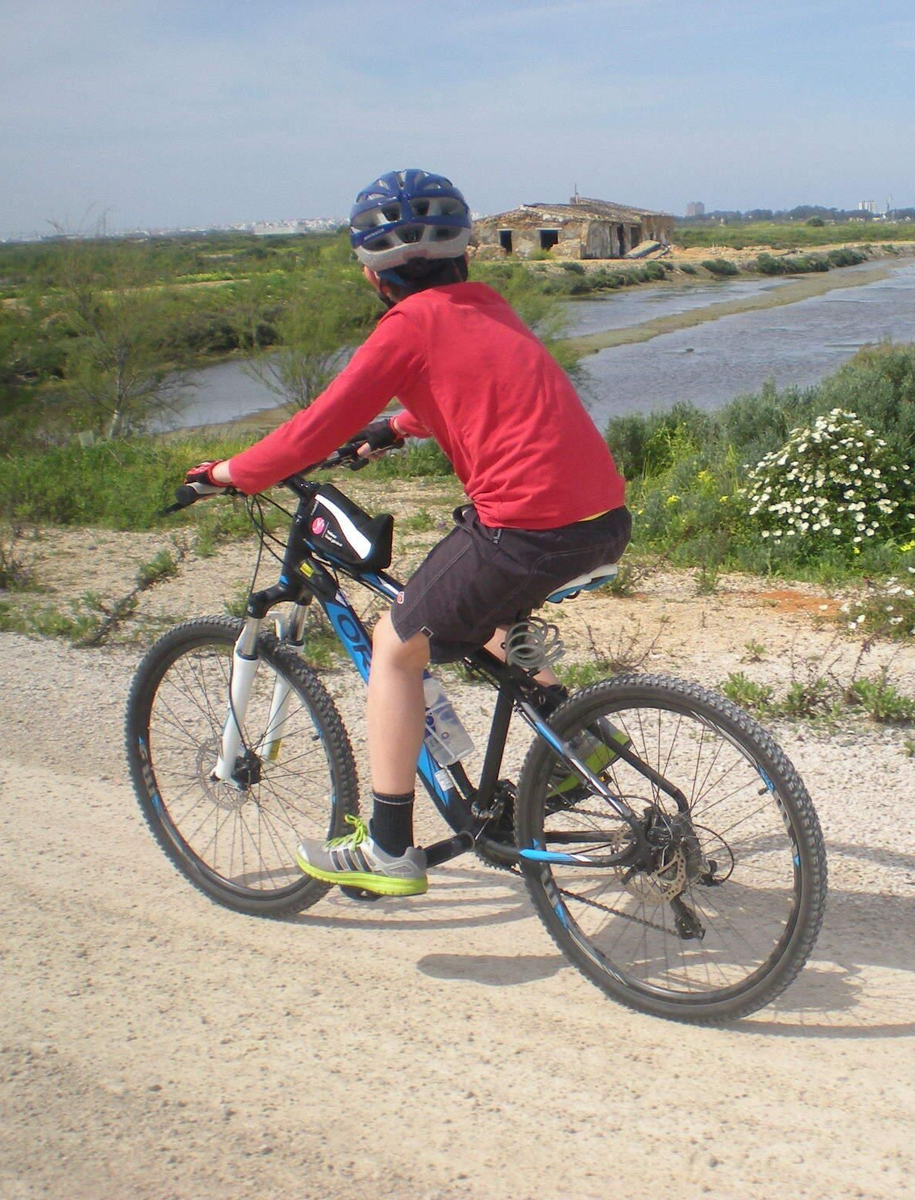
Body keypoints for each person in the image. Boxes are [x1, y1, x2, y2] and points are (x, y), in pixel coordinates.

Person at [185, 169, 629, 897]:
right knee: (473, 610)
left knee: (396, 648)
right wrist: (395, 426)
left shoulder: (405, 327)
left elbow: (308, 432)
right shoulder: (489, 307)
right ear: (466, 257)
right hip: (601, 522)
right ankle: (581, 735)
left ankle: (389, 847)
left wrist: (229, 472)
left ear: (373, 276)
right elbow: (477, 386)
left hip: (522, 530)